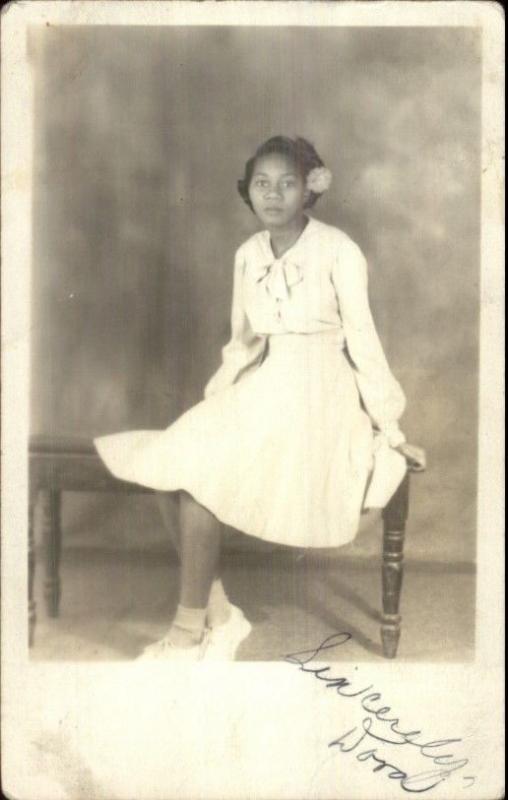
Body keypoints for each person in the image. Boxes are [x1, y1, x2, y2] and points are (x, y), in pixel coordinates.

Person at [93, 135, 426, 662]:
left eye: (287, 184)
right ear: (248, 192)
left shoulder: (339, 250)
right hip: (269, 383)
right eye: (261, 185)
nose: (272, 195)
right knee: (171, 459)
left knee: (199, 472)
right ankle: (220, 614)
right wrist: (214, 404)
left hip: (322, 394)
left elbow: (363, 339)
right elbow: (243, 342)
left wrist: (390, 425)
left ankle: (187, 629)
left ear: (309, 191)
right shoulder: (248, 255)